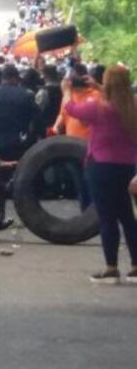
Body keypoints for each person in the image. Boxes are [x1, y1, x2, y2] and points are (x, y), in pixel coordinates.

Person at [63, 65, 137, 284]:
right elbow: (119, 98)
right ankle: (135, 266)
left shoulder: (98, 107)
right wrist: (97, 86)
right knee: (128, 217)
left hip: (101, 165)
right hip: (128, 165)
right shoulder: (133, 106)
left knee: (107, 217)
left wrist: (66, 90)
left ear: (108, 83)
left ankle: (111, 268)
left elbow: (72, 109)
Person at [0, 64, 37, 162]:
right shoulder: (25, 95)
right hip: (18, 142)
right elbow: (35, 119)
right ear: (15, 78)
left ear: (2, 78)